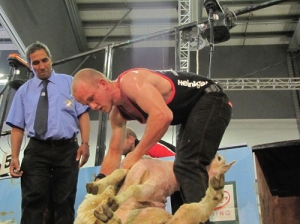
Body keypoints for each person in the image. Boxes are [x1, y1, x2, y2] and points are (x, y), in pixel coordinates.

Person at [71, 67, 232, 213]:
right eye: (87, 104)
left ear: (103, 84)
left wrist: (135, 156)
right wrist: (101, 184)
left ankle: (199, 220)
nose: (92, 106)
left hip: (212, 98)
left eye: (91, 98)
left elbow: (163, 116)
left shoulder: (129, 81)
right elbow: (114, 152)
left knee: (189, 163)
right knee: (181, 170)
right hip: (193, 110)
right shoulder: (117, 115)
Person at [6, 42, 90, 224]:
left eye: (45, 60)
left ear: (51, 60)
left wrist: (85, 143)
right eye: (36, 63)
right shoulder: (23, 91)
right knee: (32, 200)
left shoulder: (70, 82)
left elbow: (83, 114)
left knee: (64, 201)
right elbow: (17, 127)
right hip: (37, 150)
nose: (42, 66)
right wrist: (14, 156)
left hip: (68, 149)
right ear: (30, 65)